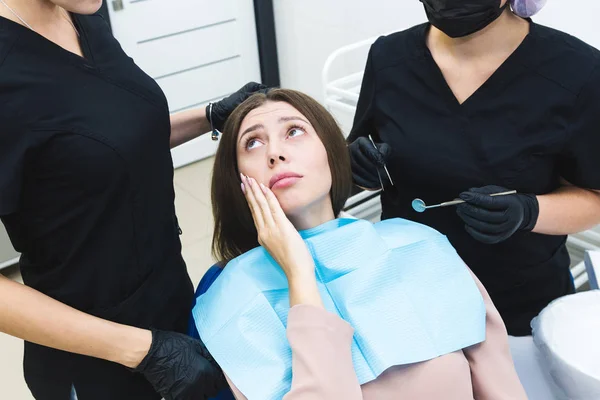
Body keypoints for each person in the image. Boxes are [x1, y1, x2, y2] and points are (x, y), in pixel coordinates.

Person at [0, 0, 264, 399]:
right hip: (93, 352)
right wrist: (142, 351)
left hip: (167, 298)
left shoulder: (83, 14)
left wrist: (209, 116)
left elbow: (104, 146)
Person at [193, 88, 527, 399]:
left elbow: (499, 382)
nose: (275, 153)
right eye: (252, 143)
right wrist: (300, 274)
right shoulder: (233, 298)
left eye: (294, 131)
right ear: (237, 180)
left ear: (332, 152)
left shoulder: (420, 246)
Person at [348, 0, 600, 336]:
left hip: (519, 312)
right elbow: (360, 158)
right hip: (407, 298)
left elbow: (593, 197)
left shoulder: (578, 71)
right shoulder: (388, 58)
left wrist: (529, 211)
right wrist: (354, 167)